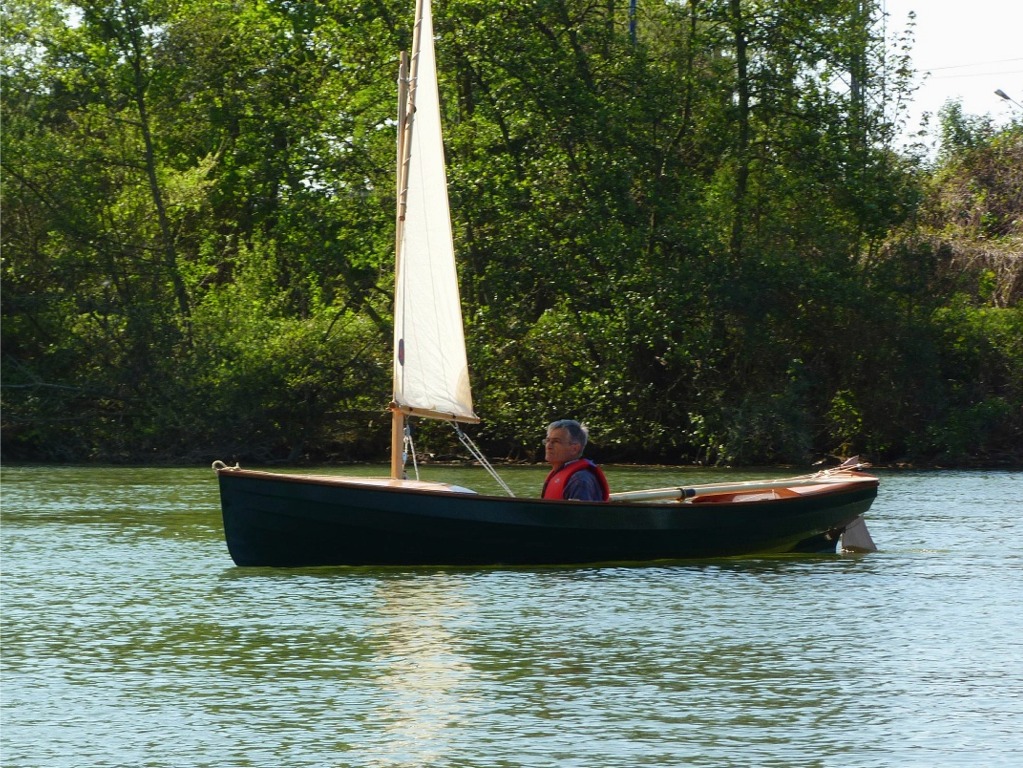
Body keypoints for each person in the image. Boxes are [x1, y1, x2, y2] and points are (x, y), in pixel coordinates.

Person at [541, 419, 610, 501]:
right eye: (548, 440)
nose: (549, 446)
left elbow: (580, 513)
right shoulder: (556, 474)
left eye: (556, 441)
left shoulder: (580, 480)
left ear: (574, 448)